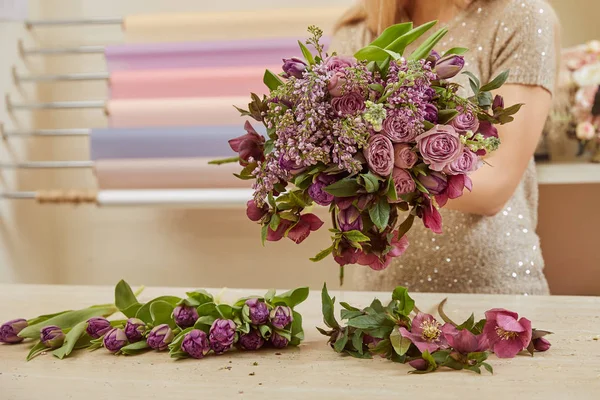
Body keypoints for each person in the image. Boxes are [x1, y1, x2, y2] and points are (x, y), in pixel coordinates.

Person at [329, 0, 560, 295]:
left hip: (494, 301)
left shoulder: (519, 15)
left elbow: (495, 187)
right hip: (381, 302)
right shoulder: (357, 33)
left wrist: (375, 175)